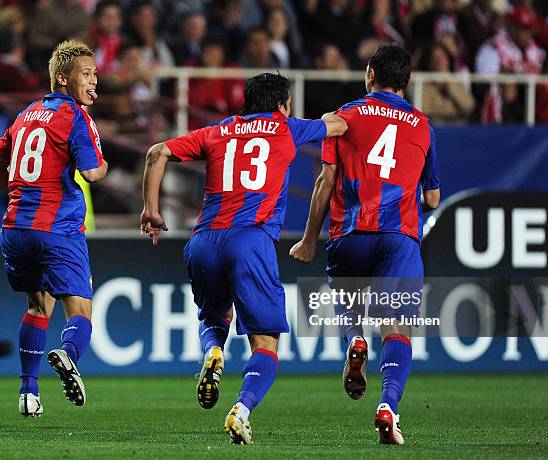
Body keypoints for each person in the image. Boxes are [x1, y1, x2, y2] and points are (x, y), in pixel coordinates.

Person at [140, 73, 346, 444]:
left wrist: (151, 210)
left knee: (214, 317)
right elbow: (339, 124)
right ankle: (242, 409)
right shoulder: (286, 128)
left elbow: (157, 152)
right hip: (251, 240)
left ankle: (214, 351)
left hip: (203, 240)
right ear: (283, 104)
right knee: (265, 344)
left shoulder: (216, 131)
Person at [290, 43, 440, 445]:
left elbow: (325, 181)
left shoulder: (346, 116)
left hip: (350, 233)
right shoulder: (423, 125)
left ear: (370, 73)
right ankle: (388, 405)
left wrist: (308, 241)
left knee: (347, 301)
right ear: (406, 80)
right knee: (397, 328)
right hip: (399, 236)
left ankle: (355, 336)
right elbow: (432, 198)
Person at [0, 40, 108, 417]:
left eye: (95, 75)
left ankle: (28, 393)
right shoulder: (76, 118)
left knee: (39, 305)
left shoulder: (25, 115)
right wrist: (104, 167)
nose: (93, 82)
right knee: (81, 310)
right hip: (56, 229)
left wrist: (24, 194)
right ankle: (68, 354)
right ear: (62, 78)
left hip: (15, 228)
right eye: (85, 74)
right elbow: (90, 172)